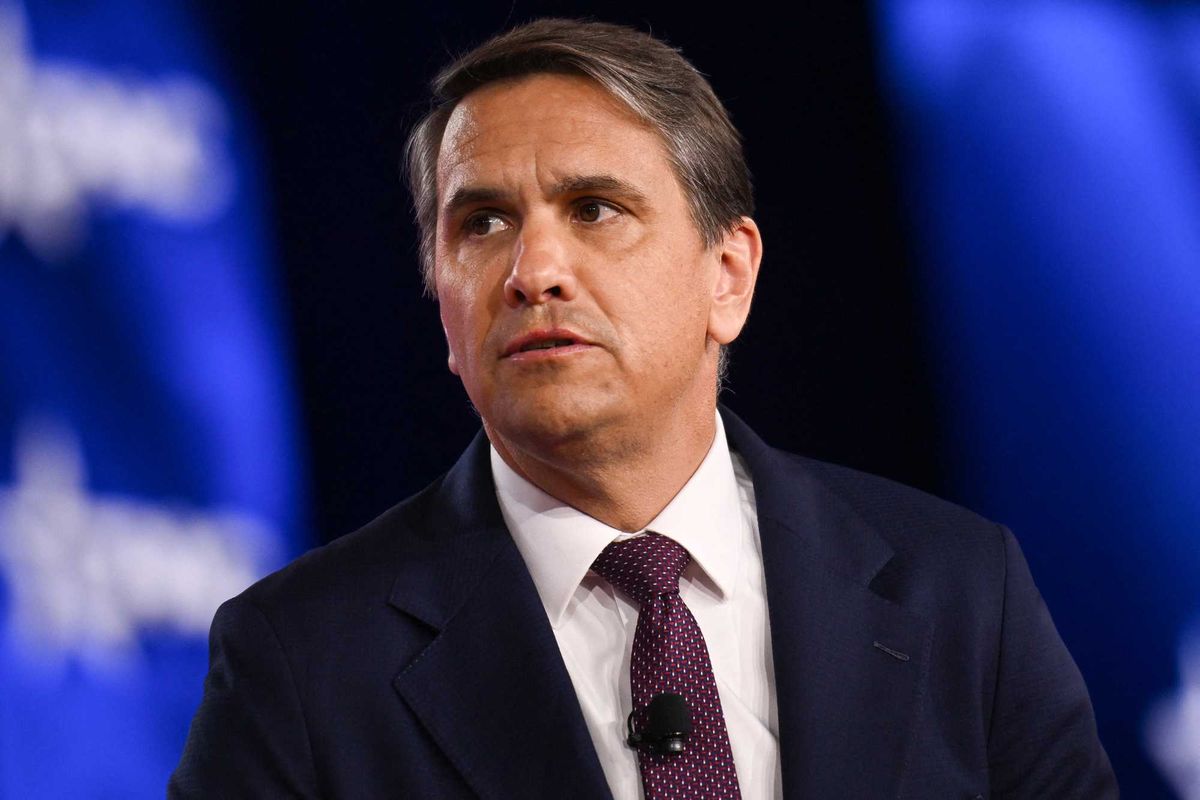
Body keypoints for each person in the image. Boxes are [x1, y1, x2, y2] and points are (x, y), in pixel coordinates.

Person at [170, 18, 1117, 799]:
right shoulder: (300, 660)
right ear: (442, 307)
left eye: (594, 209)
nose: (533, 272)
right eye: (483, 223)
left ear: (728, 276)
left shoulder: (962, 592)